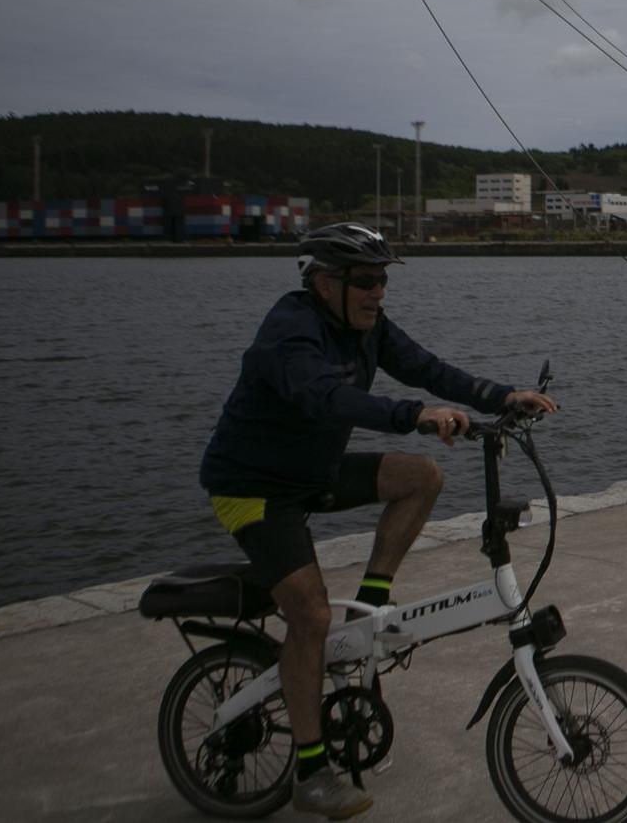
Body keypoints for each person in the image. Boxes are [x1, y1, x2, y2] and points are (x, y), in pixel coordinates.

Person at [199, 223, 556, 819]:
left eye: (383, 280)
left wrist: (500, 396)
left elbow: (425, 367)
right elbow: (328, 400)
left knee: (422, 477)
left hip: (313, 470)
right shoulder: (288, 334)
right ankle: (311, 771)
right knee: (309, 615)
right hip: (254, 487)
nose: (378, 292)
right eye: (365, 281)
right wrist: (414, 415)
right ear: (323, 282)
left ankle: (367, 611)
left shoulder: (367, 329)